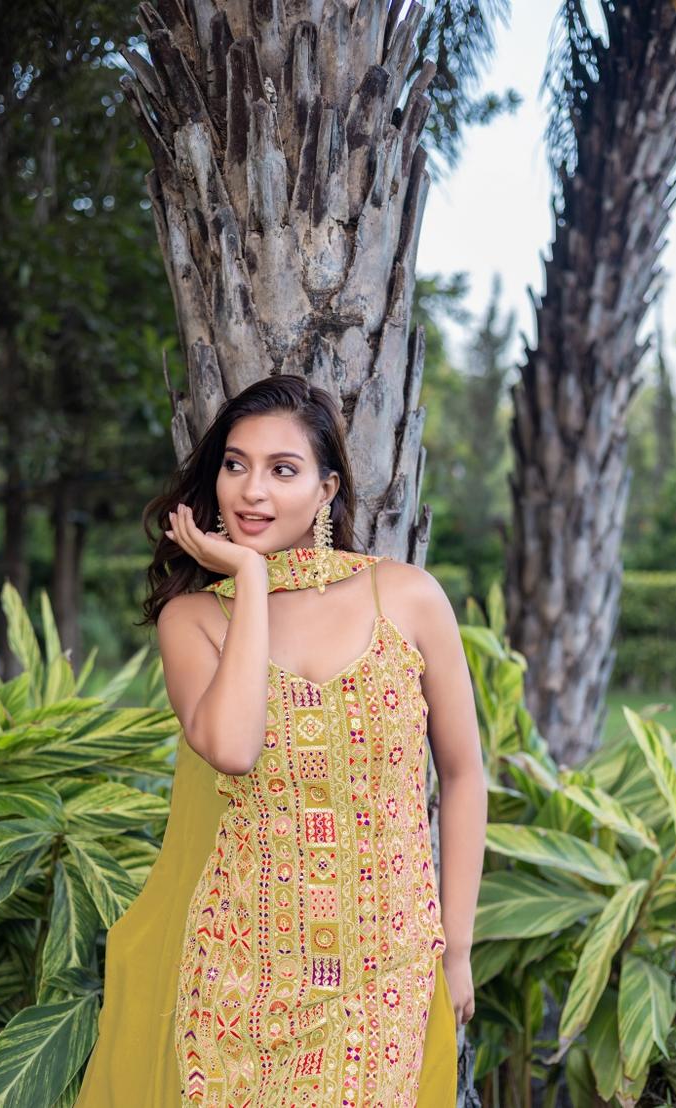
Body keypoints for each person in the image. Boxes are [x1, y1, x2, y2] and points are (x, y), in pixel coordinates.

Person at [74, 374, 486, 1106]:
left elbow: (462, 776)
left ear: (327, 490)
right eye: (235, 464)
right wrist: (253, 583)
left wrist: (455, 951)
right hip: (245, 967)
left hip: (384, 965)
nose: (250, 491)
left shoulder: (408, 597)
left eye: (282, 470)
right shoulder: (195, 620)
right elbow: (233, 747)